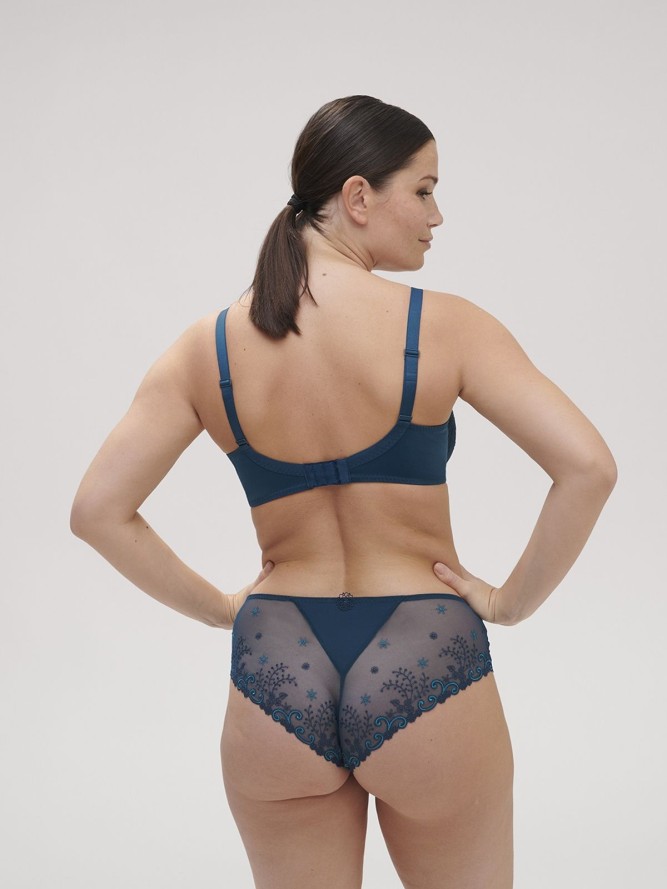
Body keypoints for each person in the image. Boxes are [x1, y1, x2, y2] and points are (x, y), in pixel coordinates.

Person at [70, 95, 617, 889]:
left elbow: (97, 511)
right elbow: (587, 467)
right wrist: (508, 602)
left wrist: (220, 608)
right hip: (425, 651)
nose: (436, 215)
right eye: (423, 190)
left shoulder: (204, 349)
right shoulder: (446, 327)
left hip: (274, 660)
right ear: (358, 197)